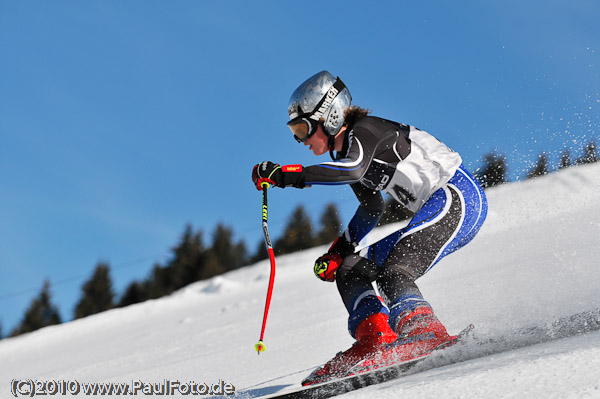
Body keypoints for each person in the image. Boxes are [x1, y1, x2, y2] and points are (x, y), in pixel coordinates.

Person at [252, 70, 487, 382]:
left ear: (329, 115)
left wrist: (287, 176)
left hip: (458, 197)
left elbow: (351, 170)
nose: (302, 140)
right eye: (296, 131)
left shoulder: (363, 131)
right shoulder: (345, 149)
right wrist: (340, 249)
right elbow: (372, 206)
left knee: (394, 271)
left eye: (303, 128)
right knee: (350, 269)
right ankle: (376, 339)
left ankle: (425, 332)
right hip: (438, 205)